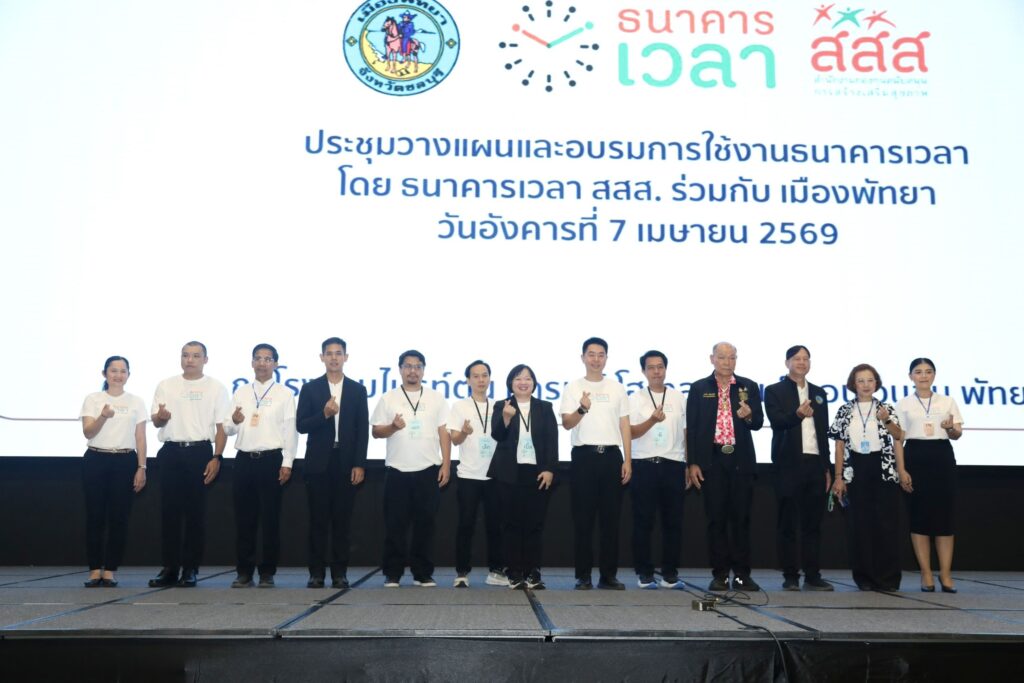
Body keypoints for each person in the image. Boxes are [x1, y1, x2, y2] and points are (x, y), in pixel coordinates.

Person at [149, 341, 230, 588]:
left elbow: (221, 427)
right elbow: (156, 421)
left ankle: (190, 569)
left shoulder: (216, 387)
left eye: (195, 356)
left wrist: (217, 457)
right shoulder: (166, 385)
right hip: (171, 452)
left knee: (195, 514)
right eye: (185, 355)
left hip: (200, 452)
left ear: (205, 359)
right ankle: (169, 568)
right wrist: (160, 417)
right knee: (169, 514)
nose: (190, 360)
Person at [686, 342, 764, 592]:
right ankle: (720, 574)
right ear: (712, 359)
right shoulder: (699, 388)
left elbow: (758, 422)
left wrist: (748, 415)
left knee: (741, 519)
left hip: (741, 460)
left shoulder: (747, 386)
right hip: (712, 460)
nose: (727, 362)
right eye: (722, 357)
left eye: (732, 357)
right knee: (716, 520)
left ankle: (741, 575)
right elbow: (692, 427)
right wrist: (692, 462)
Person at [371, 350, 451, 587]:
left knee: (425, 525)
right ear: (400, 370)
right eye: (408, 366)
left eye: (417, 366)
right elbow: (376, 432)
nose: (413, 371)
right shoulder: (388, 398)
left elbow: (444, 432)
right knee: (395, 525)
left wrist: (446, 464)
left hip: (428, 469)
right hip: (397, 470)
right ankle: (393, 573)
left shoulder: (436, 398)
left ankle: (422, 572)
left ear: (423, 370)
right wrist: (393, 427)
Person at [559, 337, 632, 590]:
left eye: (601, 354)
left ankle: (608, 576)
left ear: (606, 359)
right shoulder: (573, 387)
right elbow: (566, 423)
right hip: (584, 458)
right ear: (583, 357)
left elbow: (625, 425)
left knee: (611, 521)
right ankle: (583, 576)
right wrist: (582, 409)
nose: (596, 359)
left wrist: (628, 460)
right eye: (591, 354)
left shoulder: (617, 388)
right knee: (583, 520)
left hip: (611, 457)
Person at [296, 337, 369, 589]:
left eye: (339, 353)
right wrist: (324, 414)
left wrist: (359, 464)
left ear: (346, 357)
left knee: (342, 522)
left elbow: (362, 430)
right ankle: (316, 573)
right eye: (329, 353)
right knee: (318, 521)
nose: (334, 358)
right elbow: (301, 425)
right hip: (318, 464)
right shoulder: (310, 389)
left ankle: (340, 573)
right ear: (322, 357)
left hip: (346, 463)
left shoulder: (357, 390)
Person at [224, 344, 298, 588]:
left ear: (275, 364)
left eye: (268, 359)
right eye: (258, 358)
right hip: (244, 461)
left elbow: (290, 431)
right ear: (252, 363)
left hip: (271, 460)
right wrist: (234, 421)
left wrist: (287, 462)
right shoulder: (241, 392)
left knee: (270, 520)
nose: (262, 363)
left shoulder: (285, 394)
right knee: (244, 520)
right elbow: (228, 429)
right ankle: (244, 572)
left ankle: (267, 572)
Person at [828, 363, 905, 592]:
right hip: (855, 471)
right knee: (859, 526)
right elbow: (839, 446)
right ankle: (865, 578)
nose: (865, 385)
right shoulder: (844, 410)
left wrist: (887, 420)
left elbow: (899, 436)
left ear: (876, 383)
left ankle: (888, 578)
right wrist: (838, 477)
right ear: (853, 384)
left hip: (883, 469)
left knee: (886, 525)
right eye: (860, 381)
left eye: (870, 380)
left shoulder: (886, 408)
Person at [764, 346, 834, 591]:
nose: (802, 362)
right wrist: (797, 415)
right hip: (788, 466)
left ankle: (813, 575)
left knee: (812, 524)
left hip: (815, 465)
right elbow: (777, 422)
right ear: (787, 363)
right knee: (788, 524)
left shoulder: (819, 393)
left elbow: (823, 432)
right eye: (797, 359)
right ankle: (790, 575)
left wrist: (827, 467)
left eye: (806, 359)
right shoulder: (774, 391)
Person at [896, 358, 964, 593]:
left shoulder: (947, 401)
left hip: (941, 458)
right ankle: (926, 573)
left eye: (928, 371)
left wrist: (950, 428)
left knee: (944, 519)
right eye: (918, 372)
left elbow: (957, 434)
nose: (923, 376)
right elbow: (898, 439)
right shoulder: (903, 404)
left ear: (934, 375)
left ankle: (945, 574)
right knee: (919, 518)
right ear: (910, 376)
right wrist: (901, 469)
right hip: (914, 457)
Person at [79, 356, 148, 587]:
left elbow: (140, 437)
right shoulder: (93, 399)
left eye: (123, 371)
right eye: (113, 370)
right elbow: (88, 432)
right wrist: (103, 416)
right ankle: (94, 570)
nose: (118, 375)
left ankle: (109, 570)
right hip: (96, 459)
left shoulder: (136, 401)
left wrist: (141, 467)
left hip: (125, 461)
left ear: (128, 374)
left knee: (119, 518)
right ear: (104, 374)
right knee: (95, 517)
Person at [489, 364, 557, 590]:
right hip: (509, 472)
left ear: (534, 383)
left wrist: (549, 468)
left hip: (537, 472)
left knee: (534, 524)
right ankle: (514, 572)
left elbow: (551, 440)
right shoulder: (502, 405)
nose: (523, 382)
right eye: (518, 378)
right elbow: (497, 435)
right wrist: (506, 418)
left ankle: (533, 571)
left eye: (527, 378)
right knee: (511, 524)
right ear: (511, 383)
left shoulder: (544, 407)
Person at [628, 350, 689, 589]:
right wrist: (652, 420)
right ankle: (644, 573)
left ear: (666, 369)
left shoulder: (679, 398)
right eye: (651, 367)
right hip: (644, 465)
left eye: (660, 366)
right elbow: (630, 433)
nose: (656, 371)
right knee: (643, 522)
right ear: (643, 371)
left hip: (673, 465)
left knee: (673, 523)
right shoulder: (634, 399)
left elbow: (686, 433)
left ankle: (670, 574)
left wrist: (688, 463)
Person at [447, 360, 505, 588]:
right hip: (468, 475)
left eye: (485, 375)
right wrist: (464, 432)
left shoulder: (499, 406)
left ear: (489, 378)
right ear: (468, 380)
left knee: (495, 526)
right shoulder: (459, 406)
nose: (481, 380)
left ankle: (496, 571)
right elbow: (454, 439)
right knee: (466, 525)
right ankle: (462, 573)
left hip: (495, 475)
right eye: (476, 376)